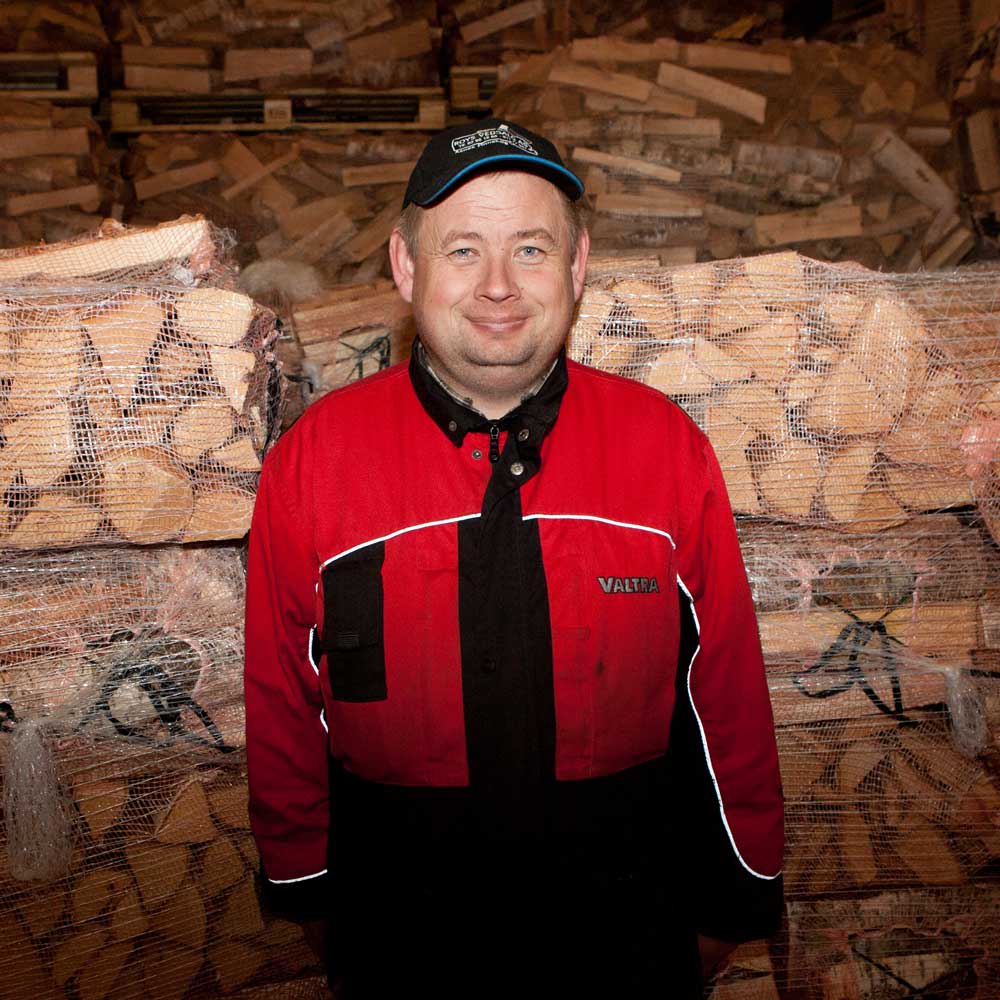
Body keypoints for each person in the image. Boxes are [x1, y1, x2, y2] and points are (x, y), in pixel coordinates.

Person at [244, 118, 784, 1000]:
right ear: (406, 268)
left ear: (576, 269)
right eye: (463, 250)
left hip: (623, 943)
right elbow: (280, 705)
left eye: (531, 248)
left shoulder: (665, 450)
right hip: (404, 946)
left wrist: (735, 904)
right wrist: (312, 895)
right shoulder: (314, 462)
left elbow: (726, 697)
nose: (498, 287)